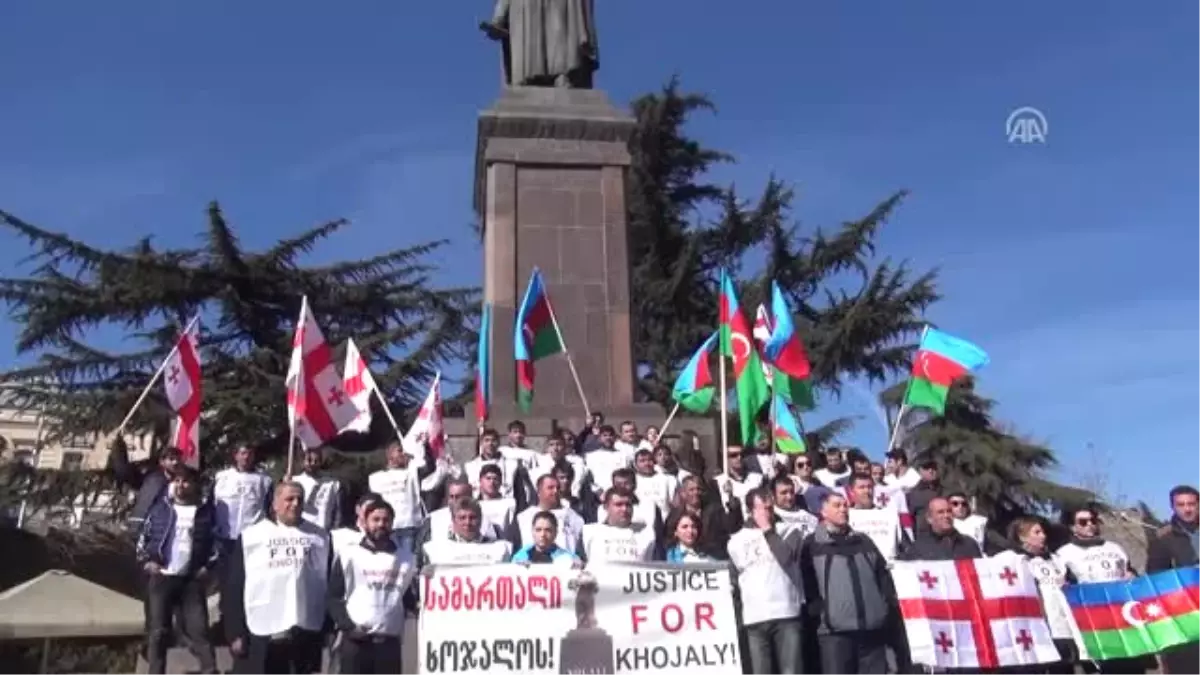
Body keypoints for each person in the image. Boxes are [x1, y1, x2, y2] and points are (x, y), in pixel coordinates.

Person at [222, 481, 332, 675]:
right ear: (275, 504)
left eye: (299, 499)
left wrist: (327, 628)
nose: (295, 503)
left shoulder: (320, 537)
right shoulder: (252, 537)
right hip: (263, 631)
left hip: (303, 629)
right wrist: (234, 632)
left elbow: (327, 582)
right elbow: (235, 586)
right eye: (289, 499)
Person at [801, 492, 909, 675]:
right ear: (823, 511)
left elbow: (882, 576)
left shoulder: (864, 541)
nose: (843, 509)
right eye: (837, 505)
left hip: (871, 630)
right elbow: (806, 583)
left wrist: (883, 608)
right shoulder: (812, 544)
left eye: (845, 505)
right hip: (835, 633)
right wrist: (820, 611)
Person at [137, 466, 219, 675]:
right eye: (177, 481)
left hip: (190, 580)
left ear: (194, 485)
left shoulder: (204, 512)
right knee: (158, 632)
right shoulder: (160, 509)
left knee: (199, 629)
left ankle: (210, 670)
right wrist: (146, 561)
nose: (181, 486)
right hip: (162, 578)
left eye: (186, 481)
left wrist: (206, 567)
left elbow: (215, 543)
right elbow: (142, 538)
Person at [327, 500, 419, 675]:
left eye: (386, 520)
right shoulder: (348, 555)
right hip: (356, 643)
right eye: (375, 519)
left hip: (389, 644)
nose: (380, 525)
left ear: (392, 523)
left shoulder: (406, 558)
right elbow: (334, 597)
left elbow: (407, 597)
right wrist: (348, 626)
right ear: (365, 522)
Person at [727, 487, 805, 675]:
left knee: (791, 671)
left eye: (771, 508)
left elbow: (786, 557)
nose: (768, 512)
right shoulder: (735, 541)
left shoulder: (789, 531)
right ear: (751, 510)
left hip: (786, 614)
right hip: (754, 618)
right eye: (763, 508)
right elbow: (734, 578)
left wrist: (768, 530)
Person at [995, 517, 1076, 675]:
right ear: (1022, 536)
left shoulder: (1055, 560)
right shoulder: (1008, 559)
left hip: (1060, 630)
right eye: (1036, 532)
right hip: (1029, 634)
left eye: (1043, 532)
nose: (1043, 536)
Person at [1147, 485, 1200, 674]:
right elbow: (1155, 577)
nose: (1187, 509)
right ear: (1173, 507)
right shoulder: (1163, 538)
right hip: (1183, 616)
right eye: (1181, 504)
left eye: (1191, 504)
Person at [212, 446, 274, 572]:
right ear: (236, 456)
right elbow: (211, 505)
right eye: (243, 453)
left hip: (252, 539)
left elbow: (270, 509)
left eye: (250, 454)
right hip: (225, 538)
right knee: (226, 575)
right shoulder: (221, 477)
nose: (246, 457)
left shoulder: (264, 480)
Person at [367, 440, 436, 553]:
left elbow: (430, 467)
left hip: (408, 526)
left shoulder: (412, 473)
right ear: (389, 454)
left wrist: (426, 446)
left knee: (409, 560)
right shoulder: (375, 478)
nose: (403, 453)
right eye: (399, 451)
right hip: (386, 527)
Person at [109, 438, 182, 532]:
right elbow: (123, 472)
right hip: (139, 526)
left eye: (178, 459)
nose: (175, 462)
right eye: (171, 459)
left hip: (163, 530)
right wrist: (118, 447)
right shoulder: (150, 478)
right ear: (162, 462)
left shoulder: (184, 483)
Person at [420, 497, 512, 565]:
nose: (467, 522)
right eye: (462, 518)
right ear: (453, 521)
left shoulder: (502, 548)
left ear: (480, 520)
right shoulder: (435, 550)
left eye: (472, 517)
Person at [509, 474, 585, 554]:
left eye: (558, 488)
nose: (555, 491)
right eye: (550, 488)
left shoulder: (573, 516)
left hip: (565, 562)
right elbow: (516, 549)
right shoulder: (523, 518)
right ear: (539, 492)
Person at [581, 487, 661, 562]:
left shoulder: (648, 534)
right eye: (618, 504)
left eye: (628, 505)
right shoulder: (589, 532)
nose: (624, 509)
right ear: (606, 507)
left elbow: (658, 565)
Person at [898, 497, 982, 561]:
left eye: (949, 511)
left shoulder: (969, 544)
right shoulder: (918, 548)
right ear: (929, 518)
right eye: (940, 512)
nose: (946, 516)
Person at [846, 475, 905, 564]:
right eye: (861, 487)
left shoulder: (889, 514)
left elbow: (904, 545)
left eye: (869, 487)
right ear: (851, 491)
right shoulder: (846, 517)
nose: (867, 491)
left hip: (889, 568)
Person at [463, 428, 531, 499]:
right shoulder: (470, 466)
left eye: (493, 440)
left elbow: (521, 491)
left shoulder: (512, 465)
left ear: (498, 443)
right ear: (481, 443)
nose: (490, 444)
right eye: (487, 440)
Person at [528, 433, 590, 501]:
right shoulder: (540, 465)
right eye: (551, 445)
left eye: (558, 444)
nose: (555, 448)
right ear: (547, 448)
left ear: (564, 447)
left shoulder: (574, 465)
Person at [294, 447, 342, 531]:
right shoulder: (294, 481)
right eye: (309, 460)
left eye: (316, 461)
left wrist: (335, 530)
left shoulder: (332, 483)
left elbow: (338, 511)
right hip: (301, 531)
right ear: (302, 461)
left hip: (323, 531)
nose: (312, 463)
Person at [611, 467, 665, 539]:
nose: (622, 487)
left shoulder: (650, 506)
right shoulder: (604, 509)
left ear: (634, 485)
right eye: (618, 484)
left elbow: (659, 535)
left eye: (626, 483)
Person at [511, 511, 580, 566]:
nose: (543, 534)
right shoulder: (520, 557)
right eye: (538, 530)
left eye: (548, 530)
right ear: (532, 531)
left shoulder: (569, 558)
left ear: (555, 532)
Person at [331, 493, 386, 557]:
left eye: (376, 509)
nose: (372, 512)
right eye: (369, 508)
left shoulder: (388, 538)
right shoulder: (340, 535)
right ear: (357, 509)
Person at [714, 444, 764, 512]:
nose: (739, 457)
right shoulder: (717, 482)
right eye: (733, 455)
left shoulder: (757, 478)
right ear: (725, 458)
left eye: (742, 454)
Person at [582, 424, 630, 494]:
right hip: (598, 496)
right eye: (605, 435)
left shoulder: (623, 456)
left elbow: (627, 477)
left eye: (610, 435)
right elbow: (589, 479)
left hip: (620, 493)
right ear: (599, 438)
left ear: (615, 437)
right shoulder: (591, 456)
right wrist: (598, 492)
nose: (608, 438)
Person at [631, 448, 678, 516]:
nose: (647, 463)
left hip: (665, 522)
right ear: (635, 464)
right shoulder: (632, 481)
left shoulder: (668, 479)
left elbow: (675, 505)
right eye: (642, 461)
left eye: (650, 460)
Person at [771, 475, 819, 542]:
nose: (789, 497)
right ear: (773, 495)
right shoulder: (771, 516)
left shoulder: (806, 510)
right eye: (784, 493)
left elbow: (823, 538)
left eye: (792, 492)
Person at [477, 463, 520, 532]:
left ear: (500, 482)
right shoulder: (475, 505)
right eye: (488, 478)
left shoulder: (511, 503)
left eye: (495, 479)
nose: (492, 482)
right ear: (480, 481)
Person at [904, 459, 943, 528]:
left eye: (933, 467)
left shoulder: (947, 490)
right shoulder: (912, 494)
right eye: (926, 468)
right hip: (923, 536)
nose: (931, 471)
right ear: (920, 471)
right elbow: (906, 521)